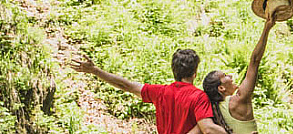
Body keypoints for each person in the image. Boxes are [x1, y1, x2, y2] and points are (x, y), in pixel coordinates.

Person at [72, 49, 227, 134]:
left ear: (174, 72)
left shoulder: (160, 92)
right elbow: (208, 128)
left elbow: (125, 85)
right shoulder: (199, 97)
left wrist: (95, 71)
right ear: (195, 73)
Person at [196, 5, 285, 134]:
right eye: (225, 75)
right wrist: (267, 27)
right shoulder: (239, 100)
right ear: (221, 88)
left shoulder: (211, 113)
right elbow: (254, 60)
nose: (231, 76)